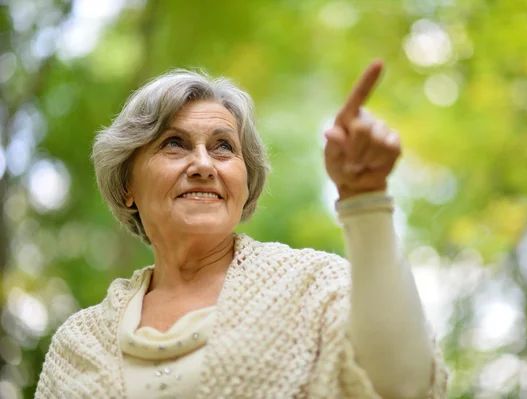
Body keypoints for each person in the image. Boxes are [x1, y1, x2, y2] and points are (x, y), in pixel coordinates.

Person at [35, 60, 448, 398]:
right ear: (127, 187)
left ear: (245, 182)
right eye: (174, 143)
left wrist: (365, 198)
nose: (203, 164)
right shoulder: (77, 343)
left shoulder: (313, 286)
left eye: (223, 146)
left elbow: (405, 387)